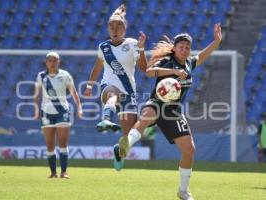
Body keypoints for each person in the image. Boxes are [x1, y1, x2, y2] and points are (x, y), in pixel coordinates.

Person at [117, 24, 222, 200]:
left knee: (189, 150)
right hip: (157, 103)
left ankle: (183, 191)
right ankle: (125, 145)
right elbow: (149, 72)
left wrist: (217, 41)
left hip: (174, 111)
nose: (185, 49)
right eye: (181, 46)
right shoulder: (167, 61)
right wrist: (173, 71)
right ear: (174, 48)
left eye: (188, 47)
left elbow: (204, 54)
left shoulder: (189, 63)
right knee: (145, 118)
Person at [84, 5, 147, 170]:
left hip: (129, 93)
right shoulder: (103, 47)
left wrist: (141, 48)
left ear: (125, 29)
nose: (115, 29)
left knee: (129, 136)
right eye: (111, 27)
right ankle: (106, 118)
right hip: (108, 87)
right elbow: (97, 67)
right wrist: (90, 85)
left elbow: (143, 68)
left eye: (119, 26)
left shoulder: (133, 44)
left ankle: (120, 151)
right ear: (108, 30)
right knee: (114, 94)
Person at [34, 52, 83, 179]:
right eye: (50, 60)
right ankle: (53, 173)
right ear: (46, 62)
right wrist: (36, 110)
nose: (52, 63)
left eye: (55, 60)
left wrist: (79, 107)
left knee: (62, 143)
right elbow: (36, 96)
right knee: (50, 144)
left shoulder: (65, 75)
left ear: (59, 62)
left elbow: (74, 92)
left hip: (63, 112)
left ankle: (64, 172)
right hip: (47, 112)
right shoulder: (41, 76)